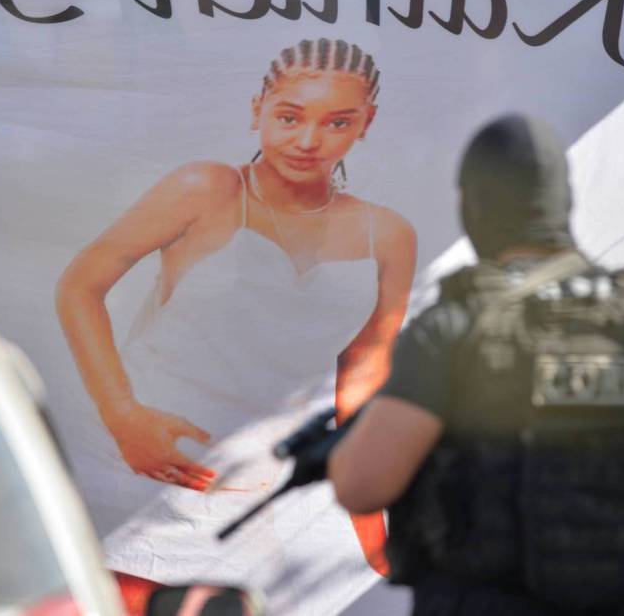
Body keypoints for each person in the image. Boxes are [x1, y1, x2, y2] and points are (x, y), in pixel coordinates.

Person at [327, 114, 624, 616]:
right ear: (563, 201)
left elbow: (363, 486)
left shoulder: (452, 329)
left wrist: (339, 450)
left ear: (472, 205)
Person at [57, 38, 417, 615]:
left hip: (273, 491)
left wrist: (372, 523)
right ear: (258, 110)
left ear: (365, 124)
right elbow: (81, 284)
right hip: (151, 472)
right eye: (289, 117)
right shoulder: (205, 189)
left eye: (337, 122)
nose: (307, 140)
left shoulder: (389, 235)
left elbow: (363, 377)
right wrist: (122, 416)